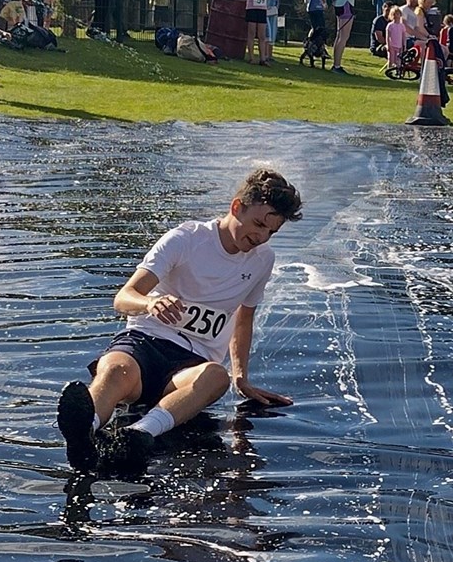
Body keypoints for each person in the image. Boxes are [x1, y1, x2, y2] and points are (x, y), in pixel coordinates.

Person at [54, 168, 304, 475]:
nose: (261, 237)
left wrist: (241, 377)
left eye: (271, 232)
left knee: (216, 377)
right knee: (116, 370)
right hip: (144, 343)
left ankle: (139, 434)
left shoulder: (263, 260)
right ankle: (84, 429)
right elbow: (124, 297)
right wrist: (151, 302)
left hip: (191, 364)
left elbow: (244, 317)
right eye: (259, 224)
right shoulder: (186, 239)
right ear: (237, 206)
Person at [384, 6, 409, 71]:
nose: (396, 16)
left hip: (399, 46)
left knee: (398, 60)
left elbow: (404, 36)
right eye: (394, 14)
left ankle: (398, 71)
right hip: (392, 45)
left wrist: (404, 46)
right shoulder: (390, 25)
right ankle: (389, 70)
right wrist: (388, 45)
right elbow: (388, 36)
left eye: (398, 14)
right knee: (391, 59)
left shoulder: (402, 26)